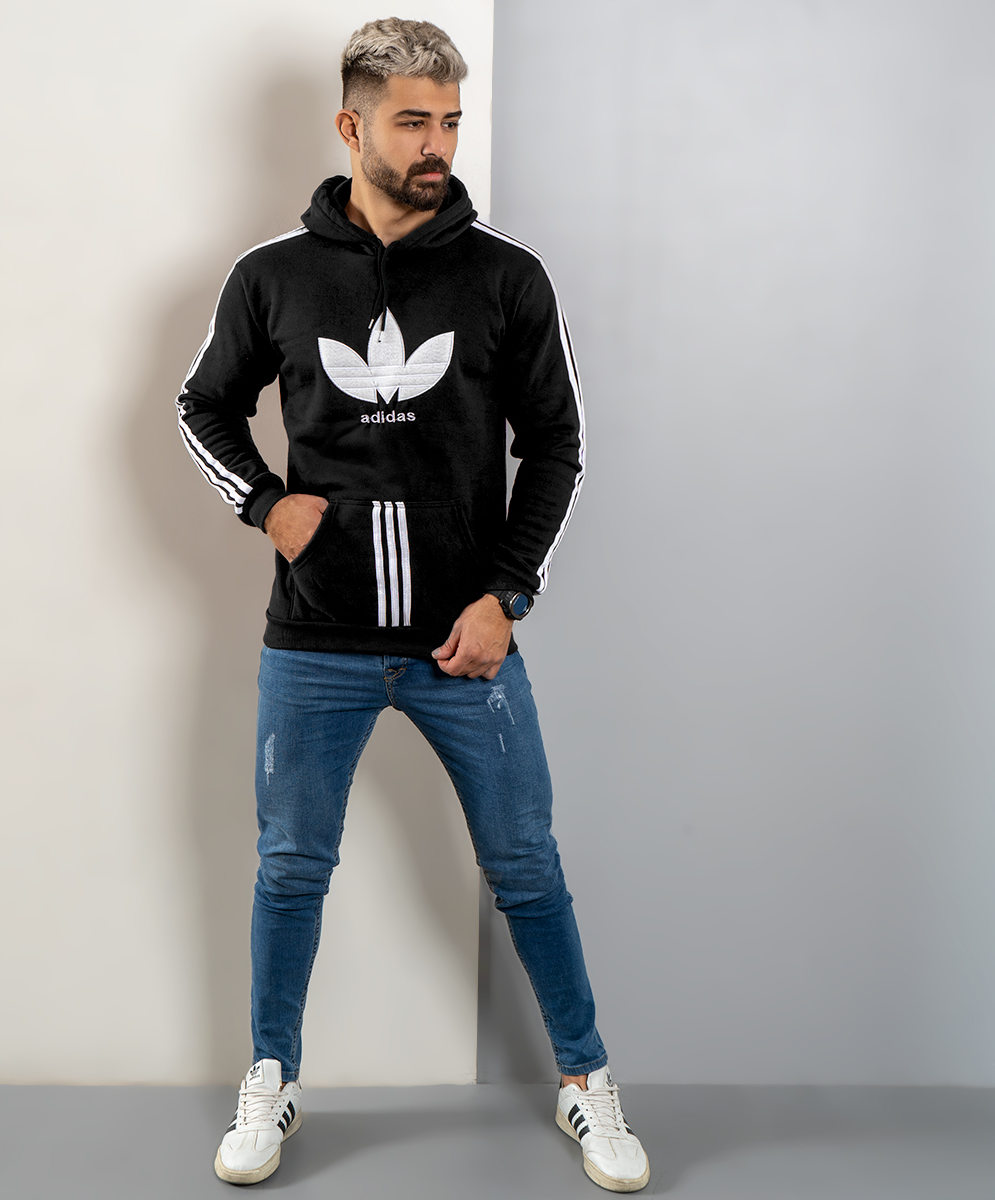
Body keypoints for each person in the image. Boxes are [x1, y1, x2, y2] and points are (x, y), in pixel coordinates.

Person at [176, 17, 650, 1193]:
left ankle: (585, 1080)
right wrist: (267, 504)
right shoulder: (272, 276)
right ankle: (271, 1077)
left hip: (462, 643)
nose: (437, 143)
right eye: (412, 122)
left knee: (526, 865)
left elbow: (557, 445)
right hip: (316, 644)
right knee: (292, 866)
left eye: (450, 120)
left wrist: (507, 594)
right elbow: (202, 406)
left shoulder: (506, 276)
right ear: (351, 127)